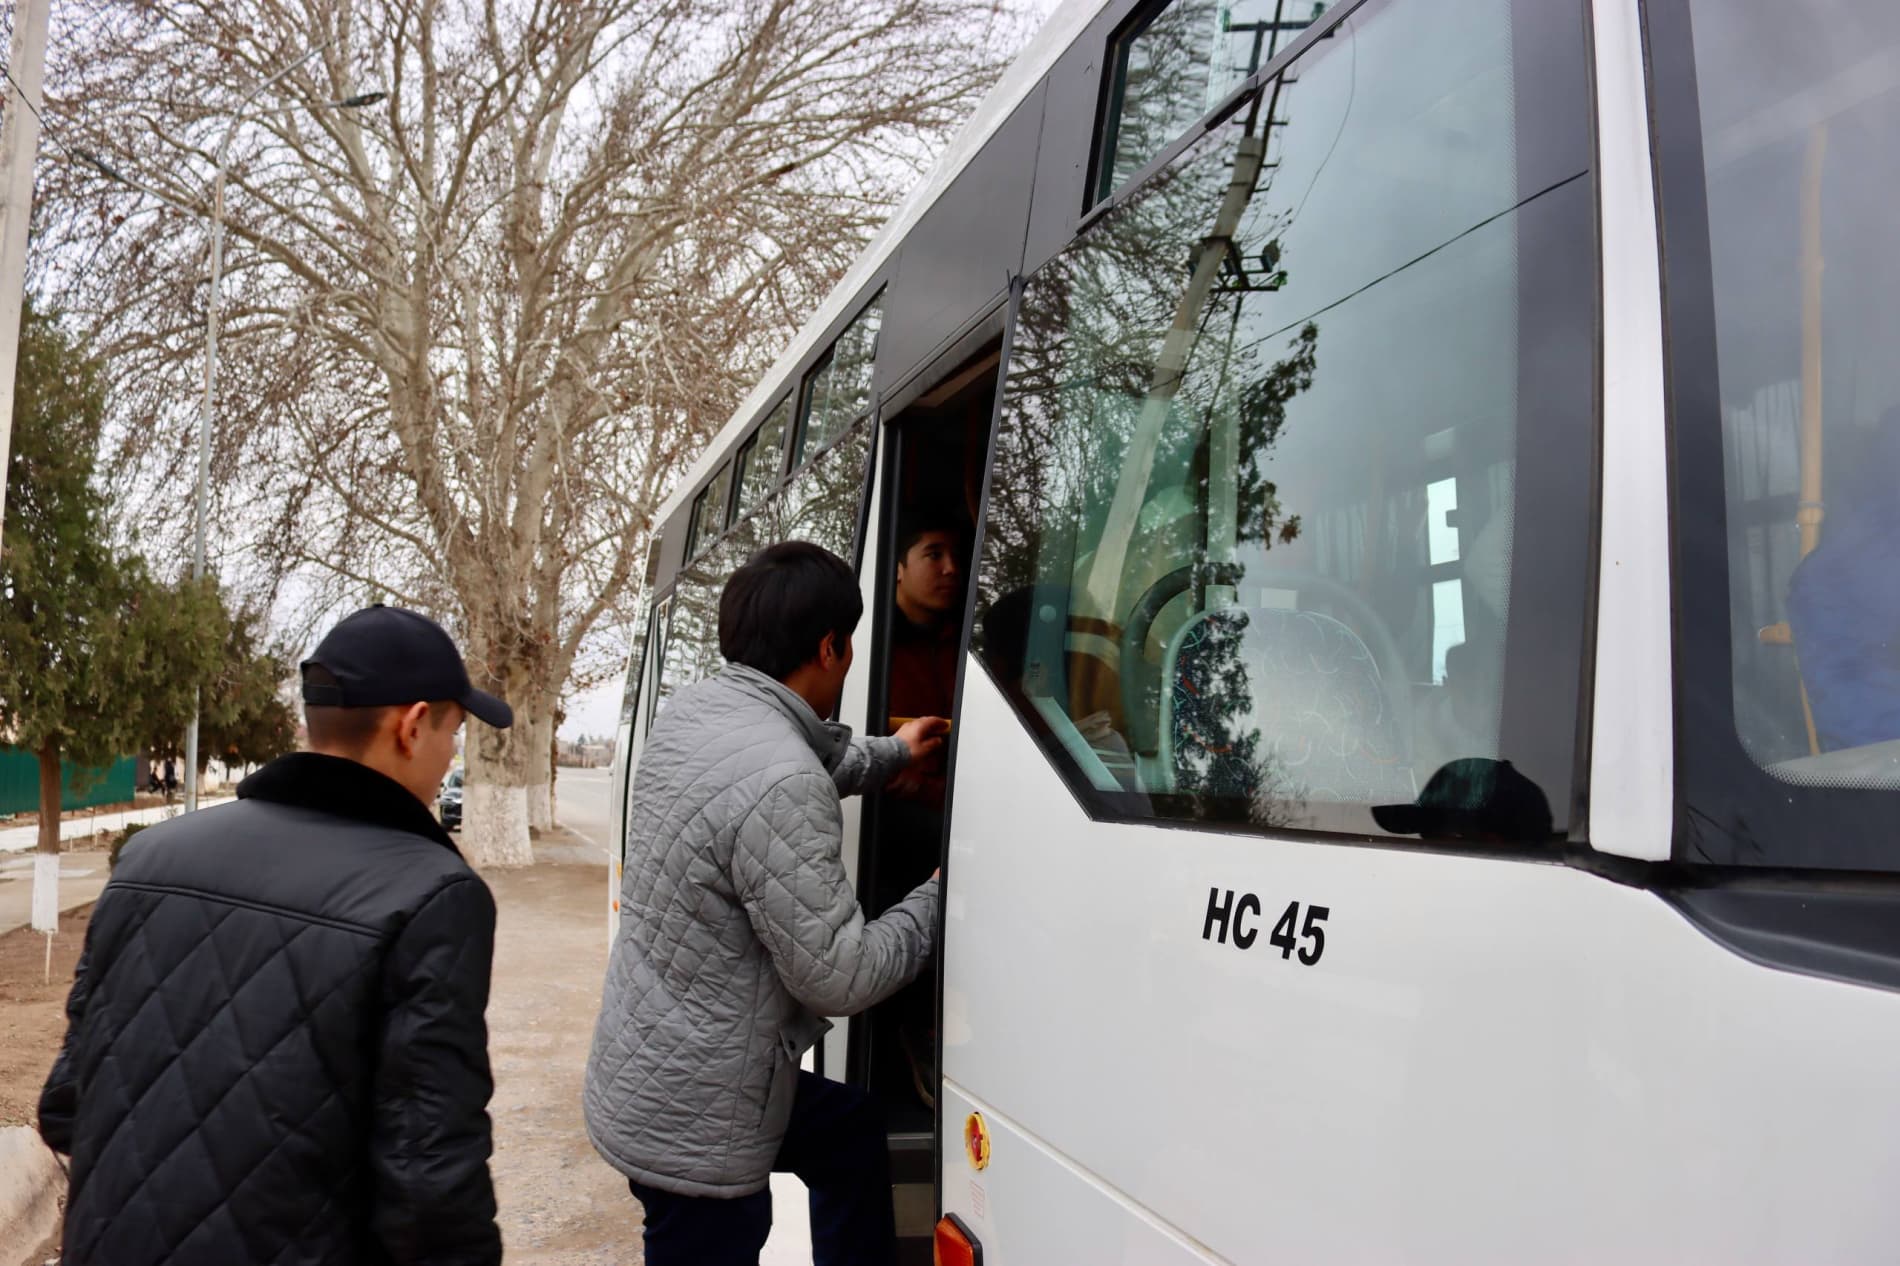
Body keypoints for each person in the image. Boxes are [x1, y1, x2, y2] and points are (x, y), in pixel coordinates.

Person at [38, 605, 511, 1266]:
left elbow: (66, 1105)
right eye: (452, 734)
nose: (449, 758)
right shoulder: (432, 895)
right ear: (411, 726)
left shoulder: (147, 859)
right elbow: (431, 1188)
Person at [585, 541, 947, 1266]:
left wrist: (896, 753)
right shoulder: (782, 778)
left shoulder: (697, 714)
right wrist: (943, 893)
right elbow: (842, 977)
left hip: (654, 1070)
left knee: (850, 1131)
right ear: (830, 647)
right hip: (702, 1124)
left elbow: (784, 772)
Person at [884, 509, 965, 808]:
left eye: (956, 556)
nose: (951, 569)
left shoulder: (969, 643)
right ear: (898, 569)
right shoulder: (871, 648)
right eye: (934, 555)